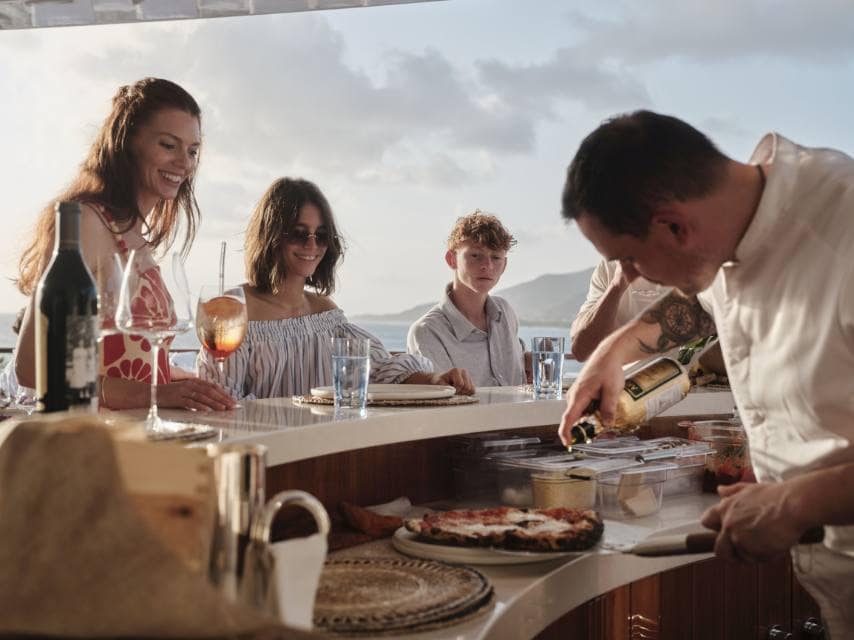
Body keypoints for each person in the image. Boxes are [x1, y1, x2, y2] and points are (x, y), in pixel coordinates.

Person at [558, 109, 854, 636]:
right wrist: (614, 351)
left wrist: (793, 501)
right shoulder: (735, 221)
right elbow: (704, 300)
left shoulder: (844, 234)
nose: (631, 276)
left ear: (674, 224)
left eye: (628, 259)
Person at [15, 78, 235, 411]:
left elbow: (129, 358)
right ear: (127, 142)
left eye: (192, 151)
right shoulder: (87, 222)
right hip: (95, 444)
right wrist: (157, 396)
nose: (185, 163)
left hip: (140, 438)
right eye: (168, 145)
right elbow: (32, 366)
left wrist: (182, 382)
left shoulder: (133, 234)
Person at [197, 177, 474, 399]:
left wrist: (436, 380)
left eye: (321, 235)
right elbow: (218, 398)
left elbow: (378, 370)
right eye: (298, 233)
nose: (311, 246)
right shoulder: (235, 311)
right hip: (263, 452)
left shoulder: (325, 313)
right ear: (271, 236)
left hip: (324, 453)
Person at [407, 211, 527, 387]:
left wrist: (526, 359)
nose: (487, 265)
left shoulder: (505, 312)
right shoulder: (427, 332)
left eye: (496, 257)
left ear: (504, 265)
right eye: (475, 255)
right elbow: (443, 406)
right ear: (451, 259)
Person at [570, 258, 669, 361]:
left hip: (679, 375)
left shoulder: (684, 266)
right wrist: (616, 285)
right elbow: (581, 351)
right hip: (623, 376)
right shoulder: (609, 269)